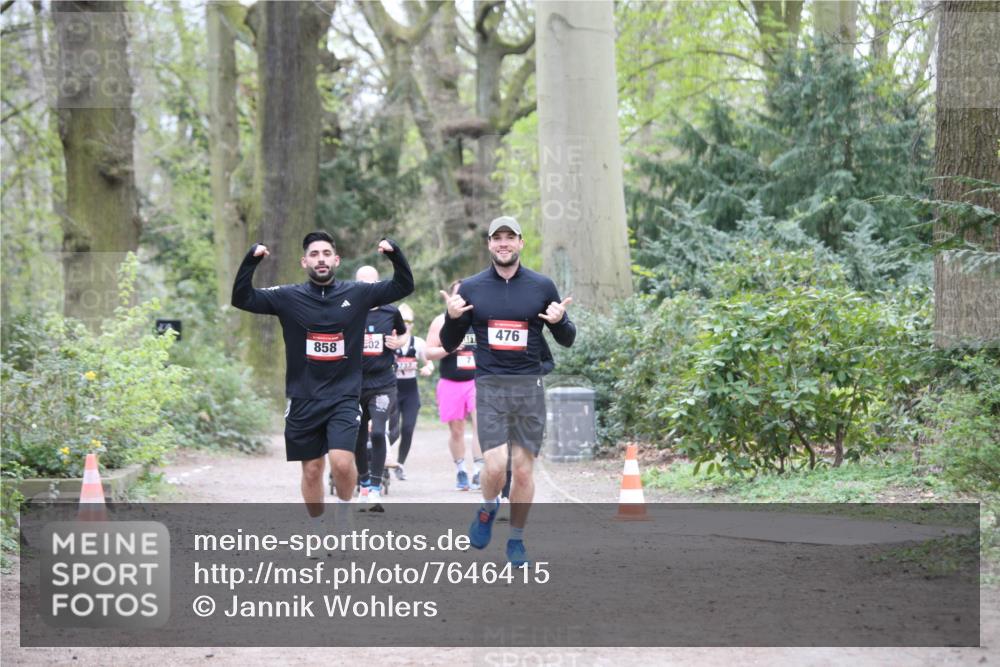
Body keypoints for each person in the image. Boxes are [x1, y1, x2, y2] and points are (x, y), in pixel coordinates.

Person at [231, 231, 412, 520]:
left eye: (326, 254)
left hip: (344, 395)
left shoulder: (358, 293)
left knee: (342, 463)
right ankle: (317, 528)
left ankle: (344, 513)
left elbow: (403, 285)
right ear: (304, 262)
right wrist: (251, 261)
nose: (321, 259)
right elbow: (242, 298)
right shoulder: (288, 296)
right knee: (313, 470)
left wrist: (394, 253)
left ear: (336, 260)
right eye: (314, 255)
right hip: (303, 397)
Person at [439, 216, 575, 567]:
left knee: (524, 472)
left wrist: (561, 321)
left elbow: (567, 339)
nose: (503, 243)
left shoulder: (541, 286)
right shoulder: (472, 288)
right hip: (490, 385)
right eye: (497, 238)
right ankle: (488, 508)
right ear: (489, 244)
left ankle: (516, 539)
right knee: (496, 465)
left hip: (529, 386)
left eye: (509, 237)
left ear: (520, 242)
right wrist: (452, 317)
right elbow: (449, 342)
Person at [352, 265, 405, 511]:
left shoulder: (390, 311)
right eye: (362, 283)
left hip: (383, 382)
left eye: (371, 283)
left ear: (378, 285)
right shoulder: (348, 310)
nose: (366, 288)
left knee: (378, 432)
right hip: (354, 383)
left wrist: (397, 342)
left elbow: (403, 335)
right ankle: (363, 483)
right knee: (358, 435)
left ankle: (374, 489)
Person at [426, 280, 484, 492]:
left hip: (477, 381)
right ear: (451, 297)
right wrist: (448, 348)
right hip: (451, 382)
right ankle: (461, 470)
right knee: (457, 431)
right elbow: (428, 352)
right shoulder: (441, 321)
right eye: (458, 295)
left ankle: (479, 471)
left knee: (480, 425)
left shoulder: (480, 319)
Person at [386, 303, 433, 481]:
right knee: (392, 431)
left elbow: (429, 361)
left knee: (407, 428)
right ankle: (382, 459)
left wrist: (428, 368)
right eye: (402, 320)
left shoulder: (418, 343)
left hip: (410, 391)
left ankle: (400, 464)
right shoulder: (390, 341)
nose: (405, 324)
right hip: (392, 389)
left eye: (408, 321)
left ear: (412, 324)